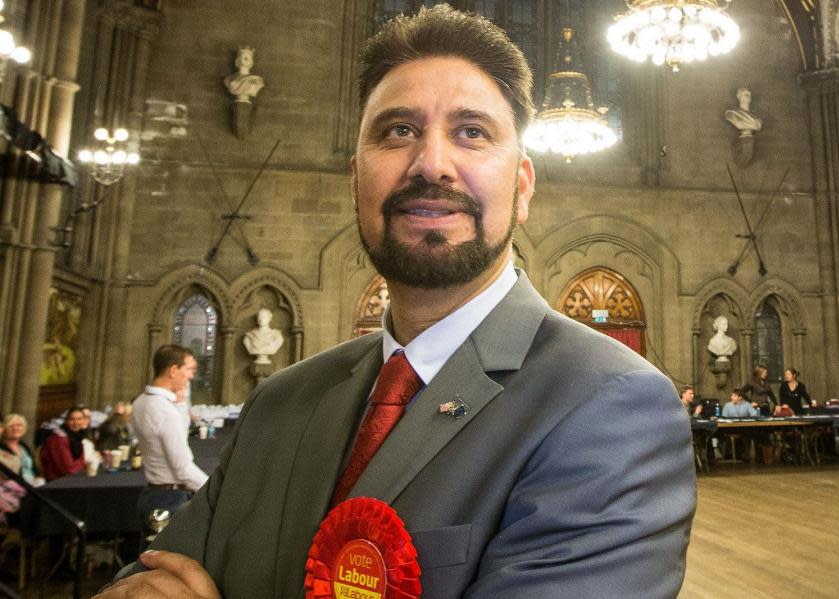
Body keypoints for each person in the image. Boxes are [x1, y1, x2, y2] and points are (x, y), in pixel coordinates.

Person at [101, 7, 695, 599]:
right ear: (356, 179)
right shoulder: (281, 403)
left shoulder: (610, 405)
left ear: (521, 187)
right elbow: (146, 584)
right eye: (398, 131)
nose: (432, 163)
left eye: (472, 132)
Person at [131, 344, 209, 522]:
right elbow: (183, 469)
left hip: (153, 493)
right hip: (170, 500)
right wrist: (214, 492)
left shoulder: (141, 401)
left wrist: (181, 404)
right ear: (173, 370)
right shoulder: (163, 410)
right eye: (189, 369)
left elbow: (180, 434)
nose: (191, 376)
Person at [39, 407, 88, 481]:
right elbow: (68, 469)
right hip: (57, 482)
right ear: (66, 421)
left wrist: (82, 464)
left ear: (84, 421)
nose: (76, 423)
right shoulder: (59, 438)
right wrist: (82, 464)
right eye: (72, 419)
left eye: (79, 419)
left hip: (72, 478)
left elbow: (81, 461)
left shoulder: (77, 436)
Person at [0, 414, 42, 486]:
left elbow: (33, 468)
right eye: (11, 426)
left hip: (33, 485)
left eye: (19, 425)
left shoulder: (24, 446)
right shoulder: (1, 448)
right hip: (14, 487)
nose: (15, 428)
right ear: (4, 429)